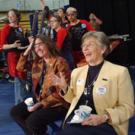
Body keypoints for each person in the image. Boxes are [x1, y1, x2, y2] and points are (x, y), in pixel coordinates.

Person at [49, 31, 135, 135]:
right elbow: (73, 99)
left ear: (102, 49)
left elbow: (128, 108)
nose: (85, 49)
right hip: (78, 120)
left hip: (105, 123)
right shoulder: (77, 72)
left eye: (90, 45)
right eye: (83, 46)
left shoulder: (120, 72)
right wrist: (65, 88)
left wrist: (104, 117)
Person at [10, 34, 71, 135]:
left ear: (48, 44)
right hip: (40, 98)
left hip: (58, 103)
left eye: (40, 44)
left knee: (33, 121)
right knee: (15, 112)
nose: (37, 48)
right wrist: (28, 49)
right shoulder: (38, 62)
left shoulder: (60, 62)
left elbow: (61, 94)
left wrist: (41, 104)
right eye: (35, 46)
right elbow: (20, 67)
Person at [0, 9, 29, 104]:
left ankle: (22, 103)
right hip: (13, 57)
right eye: (9, 16)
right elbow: (1, 46)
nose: (10, 17)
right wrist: (13, 45)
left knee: (23, 80)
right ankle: (20, 104)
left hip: (22, 55)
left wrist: (29, 44)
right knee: (19, 80)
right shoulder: (6, 29)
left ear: (17, 16)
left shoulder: (21, 28)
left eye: (12, 15)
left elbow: (21, 45)